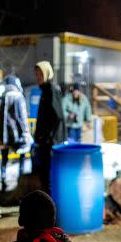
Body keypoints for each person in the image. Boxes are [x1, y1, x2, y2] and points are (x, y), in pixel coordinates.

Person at [0, 75, 31, 192]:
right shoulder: (18, 97)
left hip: (2, 137)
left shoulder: (0, 98)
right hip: (16, 136)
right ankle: (20, 182)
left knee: (4, 159)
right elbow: (22, 118)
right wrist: (26, 133)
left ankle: (3, 183)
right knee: (22, 156)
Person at [32, 61, 66, 194]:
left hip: (50, 144)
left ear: (46, 73)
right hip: (46, 142)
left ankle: (50, 208)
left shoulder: (51, 90)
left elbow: (57, 116)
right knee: (45, 177)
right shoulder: (46, 90)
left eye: (40, 74)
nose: (37, 78)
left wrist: (47, 137)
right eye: (36, 75)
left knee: (48, 178)